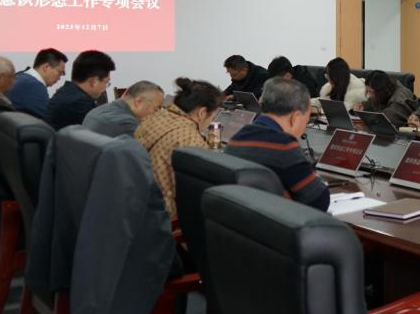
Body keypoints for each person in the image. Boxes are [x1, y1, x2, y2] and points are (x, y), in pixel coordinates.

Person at [226, 77, 331, 213]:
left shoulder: (238, 137)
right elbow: (319, 200)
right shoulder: (284, 146)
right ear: (295, 117)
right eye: (306, 121)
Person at [135, 78, 220, 217]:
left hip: (138, 199)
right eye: (213, 117)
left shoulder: (155, 117)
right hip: (164, 213)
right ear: (202, 113)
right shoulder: (191, 140)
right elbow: (198, 191)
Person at [46, 50, 115, 130]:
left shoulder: (67, 91)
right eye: (106, 82)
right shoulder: (80, 103)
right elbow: (103, 131)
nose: (105, 87)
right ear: (93, 82)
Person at [84, 80, 164, 138]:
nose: (157, 113)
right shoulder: (127, 124)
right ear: (138, 102)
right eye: (156, 109)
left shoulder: (96, 111)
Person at [8, 48, 67, 118]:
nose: (60, 77)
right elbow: (51, 118)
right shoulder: (33, 86)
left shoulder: (21, 76)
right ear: (46, 67)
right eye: (60, 72)